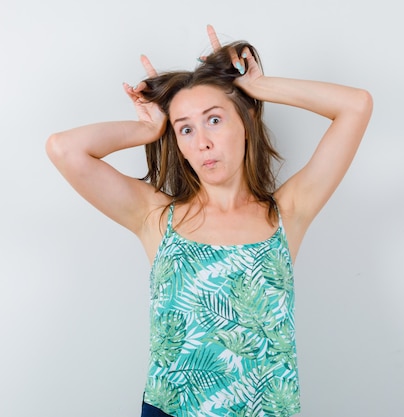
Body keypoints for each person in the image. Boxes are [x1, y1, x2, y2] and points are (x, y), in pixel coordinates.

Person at [46, 25, 372, 417]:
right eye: (185, 128)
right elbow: (64, 149)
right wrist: (149, 129)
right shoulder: (156, 217)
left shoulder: (287, 214)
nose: (201, 141)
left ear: (245, 123)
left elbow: (356, 105)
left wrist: (259, 88)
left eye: (214, 120)